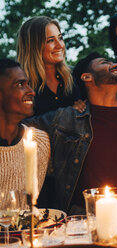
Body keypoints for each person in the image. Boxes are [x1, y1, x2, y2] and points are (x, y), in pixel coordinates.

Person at [23, 53, 117, 214]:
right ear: (87, 77)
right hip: (82, 225)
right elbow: (16, 127)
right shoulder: (65, 119)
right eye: (104, 62)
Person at [0, 59, 50, 208]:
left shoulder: (39, 142)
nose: (31, 92)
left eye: (28, 84)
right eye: (20, 84)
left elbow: (28, 210)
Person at [17, 16, 84, 116]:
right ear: (34, 47)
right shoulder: (20, 87)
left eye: (60, 38)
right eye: (51, 40)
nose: (60, 45)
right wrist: (66, 115)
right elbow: (22, 125)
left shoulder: (76, 76)